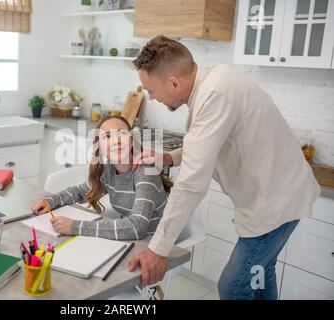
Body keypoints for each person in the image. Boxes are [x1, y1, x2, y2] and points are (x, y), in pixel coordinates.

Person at [127, 35, 321, 300]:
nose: (151, 97)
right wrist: (170, 158)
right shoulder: (217, 80)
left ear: (173, 82)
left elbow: (191, 183)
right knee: (262, 273)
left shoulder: (215, 94)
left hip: (275, 205)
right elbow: (214, 141)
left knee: (233, 287)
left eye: (152, 90)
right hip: (283, 195)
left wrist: (158, 249)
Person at [32, 115, 172, 240]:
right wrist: (50, 201)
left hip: (154, 246)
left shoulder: (145, 172)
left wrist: (75, 227)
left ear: (131, 142)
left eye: (121, 134)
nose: (116, 141)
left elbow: (137, 227)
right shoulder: (109, 171)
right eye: (107, 137)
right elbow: (80, 192)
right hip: (130, 240)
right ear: (101, 147)